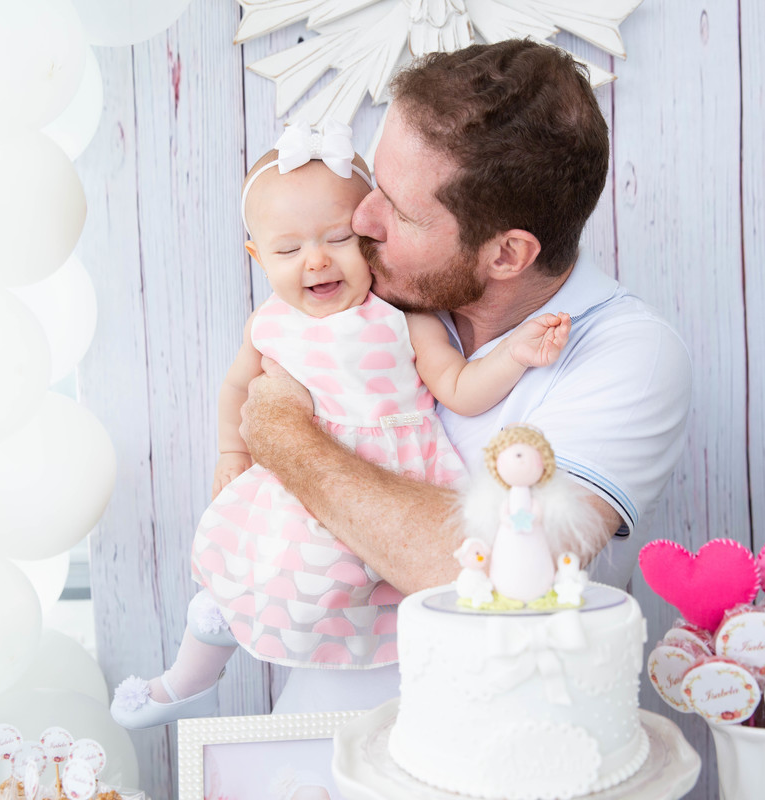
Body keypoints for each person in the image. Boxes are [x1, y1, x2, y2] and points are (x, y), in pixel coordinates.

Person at [238, 39, 692, 714]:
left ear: (507, 253)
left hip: (494, 748)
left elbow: (494, 569)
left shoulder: (627, 356)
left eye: (398, 207)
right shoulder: (370, 295)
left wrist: (284, 435)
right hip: (315, 731)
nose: (359, 219)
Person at [109, 120, 574, 729]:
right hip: (299, 493)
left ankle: (430, 712)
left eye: (337, 238)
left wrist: (514, 356)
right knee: (250, 578)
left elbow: (459, 388)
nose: (316, 260)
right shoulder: (270, 324)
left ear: (373, 240)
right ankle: (191, 678)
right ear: (257, 257)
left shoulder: (404, 318)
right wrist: (231, 452)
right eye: (287, 249)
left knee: (402, 601)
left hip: (396, 487)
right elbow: (235, 389)